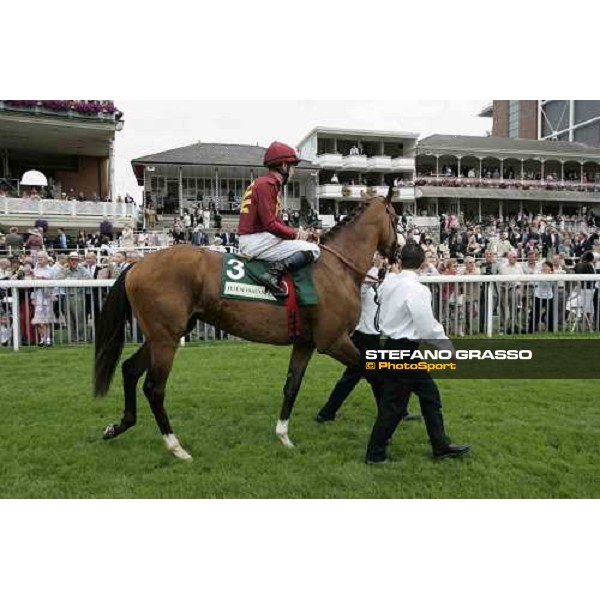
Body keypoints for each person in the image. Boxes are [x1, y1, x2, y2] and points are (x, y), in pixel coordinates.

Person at [365, 244, 470, 464]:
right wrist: (448, 349)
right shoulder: (417, 290)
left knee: (429, 395)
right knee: (393, 406)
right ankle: (375, 454)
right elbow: (427, 327)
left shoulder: (390, 283)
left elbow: (384, 286)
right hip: (404, 351)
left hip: (395, 347)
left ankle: (440, 445)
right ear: (423, 264)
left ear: (400, 261)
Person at [238, 141, 320, 297]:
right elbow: (270, 225)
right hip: (255, 240)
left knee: (302, 243)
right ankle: (272, 275)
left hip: (257, 238)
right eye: (292, 166)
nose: (294, 171)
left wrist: (299, 234)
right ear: (283, 166)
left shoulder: (266, 184)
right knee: (313, 250)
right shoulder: (267, 184)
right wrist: (295, 234)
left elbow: (276, 223)